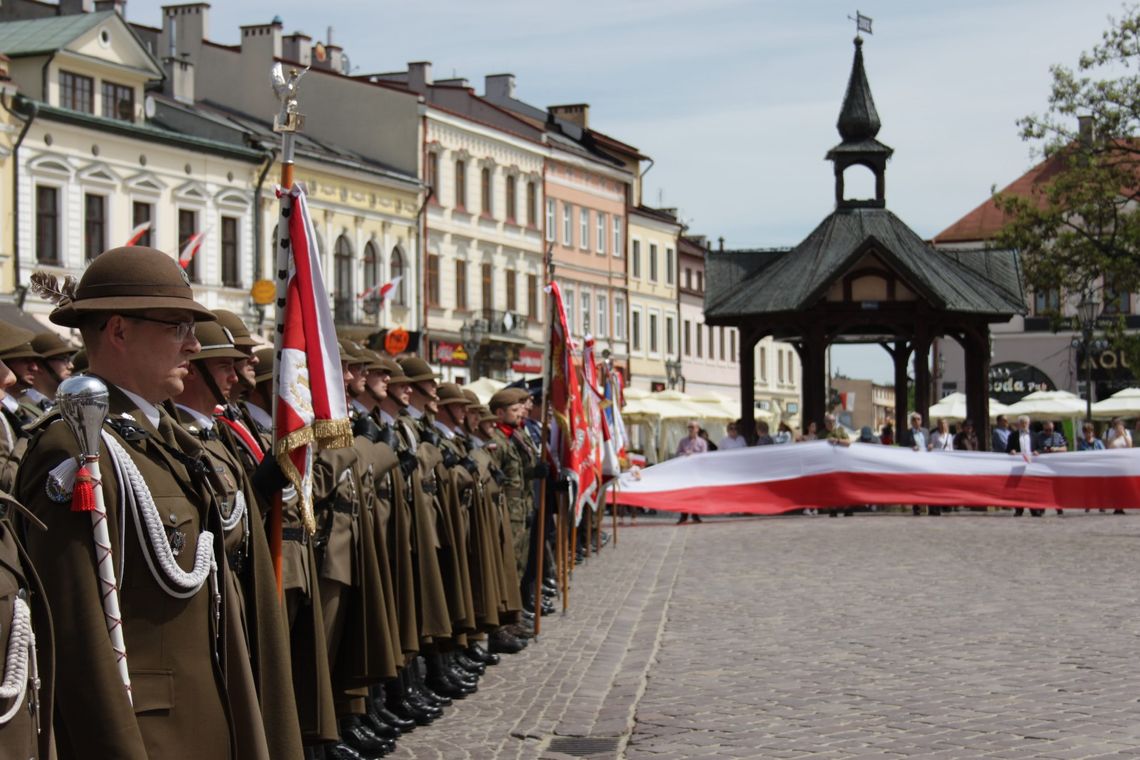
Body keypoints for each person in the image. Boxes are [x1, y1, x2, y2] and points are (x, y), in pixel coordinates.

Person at [18, 246, 272, 759]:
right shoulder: (76, 447)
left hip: (208, 716)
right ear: (118, 330)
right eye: (177, 327)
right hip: (149, 735)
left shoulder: (167, 437)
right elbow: (78, 636)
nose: (193, 346)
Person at [898, 412, 939, 515]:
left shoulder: (926, 431)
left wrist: (930, 445)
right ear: (911, 422)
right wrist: (910, 449)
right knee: (916, 486)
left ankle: (932, 509)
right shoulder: (907, 434)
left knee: (930, 486)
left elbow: (929, 443)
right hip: (914, 464)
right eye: (914, 419)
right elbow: (902, 448)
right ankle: (917, 508)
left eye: (918, 419)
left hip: (926, 463)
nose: (917, 421)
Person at [1006, 414, 1043, 516]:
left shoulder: (1035, 435)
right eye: (1022, 423)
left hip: (1032, 465)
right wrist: (1012, 451)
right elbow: (1008, 449)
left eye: (1025, 423)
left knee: (1032, 487)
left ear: (1029, 424)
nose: (1024, 425)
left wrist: (1037, 451)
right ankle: (1019, 509)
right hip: (1018, 465)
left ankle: (1034, 509)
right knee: (1018, 487)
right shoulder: (1012, 436)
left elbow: (1040, 448)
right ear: (1018, 424)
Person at [675, 420, 707, 524]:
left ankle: (695, 514)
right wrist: (684, 455)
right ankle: (683, 515)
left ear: (698, 429)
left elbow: (704, 456)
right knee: (685, 494)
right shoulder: (683, 441)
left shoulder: (702, 442)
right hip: (685, 472)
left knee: (696, 494)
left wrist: (694, 455)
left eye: (693, 427)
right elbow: (677, 454)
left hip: (697, 472)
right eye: (690, 427)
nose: (691, 429)